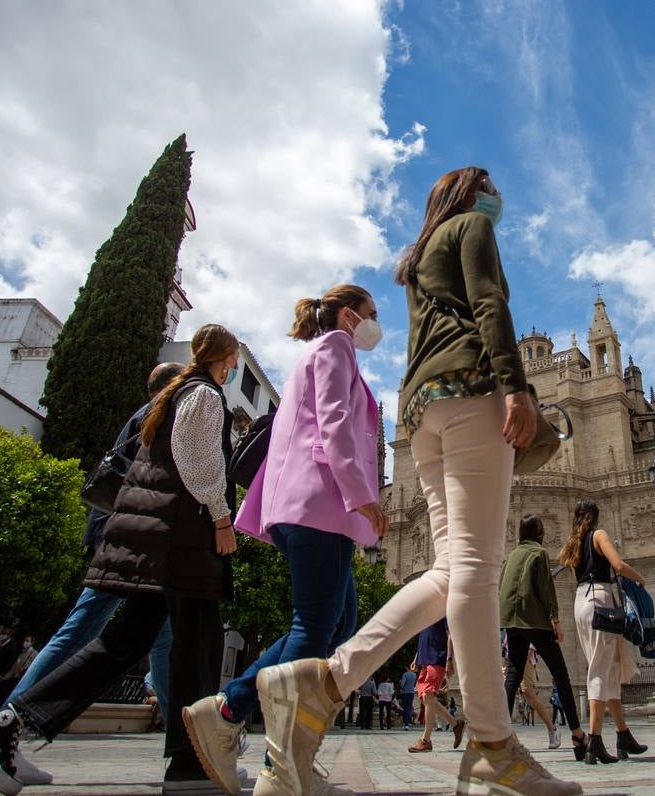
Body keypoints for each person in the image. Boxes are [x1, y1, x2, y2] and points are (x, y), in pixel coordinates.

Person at [247, 167, 579, 796]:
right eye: (489, 184)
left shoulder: (418, 256)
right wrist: (514, 386)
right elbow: (490, 305)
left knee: (451, 570)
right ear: (468, 194)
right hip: (471, 394)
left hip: (422, 413)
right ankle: (491, 745)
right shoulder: (472, 225)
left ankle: (322, 681)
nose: (497, 195)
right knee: (477, 566)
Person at [0, 324, 243, 796]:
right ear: (227, 358)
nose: (233, 367)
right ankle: (189, 766)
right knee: (196, 647)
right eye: (234, 360)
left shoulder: (173, 397)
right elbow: (198, 465)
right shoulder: (204, 394)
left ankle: (5, 724)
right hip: (182, 540)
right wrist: (221, 519)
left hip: (156, 542)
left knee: (124, 642)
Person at [184, 287, 387, 793]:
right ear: (348, 315)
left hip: (314, 504)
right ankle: (275, 750)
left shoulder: (319, 352)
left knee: (338, 621)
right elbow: (336, 421)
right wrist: (363, 494)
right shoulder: (335, 347)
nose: (374, 326)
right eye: (371, 316)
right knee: (317, 626)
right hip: (320, 500)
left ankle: (230, 710)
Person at [560, 499, 648, 764]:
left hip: (581, 602)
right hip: (600, 600)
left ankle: (623, 734)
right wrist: (640, 579)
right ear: (595, 517)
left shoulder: (573, 542)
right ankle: (595, 740)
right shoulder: (598, 535)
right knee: (600, 668)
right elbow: (618, 566)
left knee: (608, 668)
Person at [499, 513, 585, 756]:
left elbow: (502, 588)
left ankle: (501, 737)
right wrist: (556, 620)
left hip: (511, 622)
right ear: (539, 533)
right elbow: (546, 590)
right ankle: (578, 735)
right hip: (535, 620)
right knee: (561, 676)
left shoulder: (511, 556)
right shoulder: (538, 553)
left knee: (512, 677)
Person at [406, 617, 465, 754]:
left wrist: (449, 660)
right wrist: (416, 659)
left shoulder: (443, 613)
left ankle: (425, 740)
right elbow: (424, 640)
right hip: (425, 662)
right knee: (425, 698)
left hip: (437, 659)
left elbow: (451, 636)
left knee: (427, 695)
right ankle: (456, 724)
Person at [398, 665, 418, 730]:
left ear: (407, 668)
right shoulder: (415, 675)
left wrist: (400, 682)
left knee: (405, 708)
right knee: (409, 708)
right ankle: (408, 723)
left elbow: (402, 684)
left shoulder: (405, 674)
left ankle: (406, 724)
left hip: (405, 693)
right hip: (411, 692)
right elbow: (414, 684)